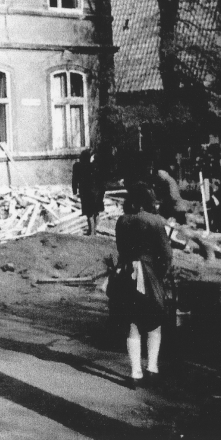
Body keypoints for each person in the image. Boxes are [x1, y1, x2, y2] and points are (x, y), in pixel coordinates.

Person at [110, 182, 173, 388]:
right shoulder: (154, 221)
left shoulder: (122, 220)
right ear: (149, 200)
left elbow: (120, 249)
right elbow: (166, 254)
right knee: (154, 321)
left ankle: (135, 373)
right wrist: (161, 274)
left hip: (128, 273)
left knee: (132, 323)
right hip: (150, 272)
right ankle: (152, 369)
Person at [72, 148, 103, 236]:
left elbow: (74, 180)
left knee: (89, 213)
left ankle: (91, 232)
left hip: (86, 192)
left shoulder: (77, 166)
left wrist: (74, 192)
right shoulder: (95, 165)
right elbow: (101, 180)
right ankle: (94, 231)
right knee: (96, 212)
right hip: (97, 192)